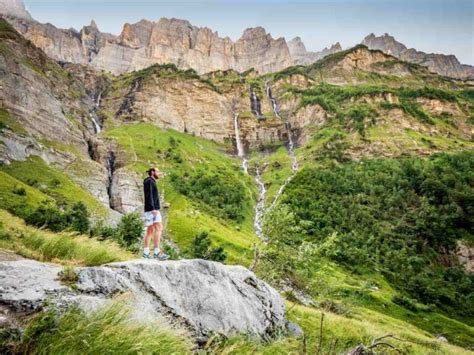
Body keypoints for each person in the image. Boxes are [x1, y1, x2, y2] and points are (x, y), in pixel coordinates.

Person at [143, 167, 169, 260]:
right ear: (152, 172)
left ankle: (146, 253)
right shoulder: (150, 181)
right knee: (159, 228)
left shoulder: (149, 181)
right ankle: (157, 252)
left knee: (150, 230)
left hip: (149, 209)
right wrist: (153, 208)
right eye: (158, 171)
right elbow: (149, 195)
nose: (159, 173)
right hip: (152, 210)